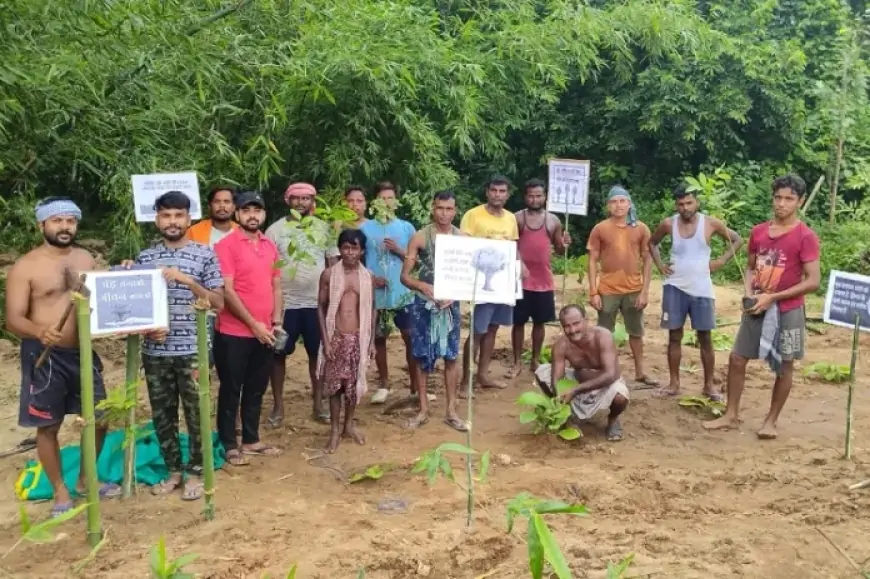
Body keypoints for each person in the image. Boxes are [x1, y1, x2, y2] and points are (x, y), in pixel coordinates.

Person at [5, 198, 122, 515]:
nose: (65, 227)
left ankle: (86, 479)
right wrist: (39, 332)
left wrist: (121, 277)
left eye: (70, 221)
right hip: (44, 354)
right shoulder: (26, 266)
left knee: (100, 420)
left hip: (83, 350)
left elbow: (102, 299)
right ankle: (60, 491)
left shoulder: (85, 258)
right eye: (57, 221)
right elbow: (13, 319)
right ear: (42, 225)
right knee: (48, 426)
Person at [704, 175, 820, 439]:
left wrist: (774, 297)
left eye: (789, 199)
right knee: (736, 358)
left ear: (800, 201)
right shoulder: (758, 232)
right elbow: (750, 266)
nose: (782, 204)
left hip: (788, 309)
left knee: (785, 365)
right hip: (757, 305)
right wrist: (749, 294)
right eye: (778, 197)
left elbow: (813, 281)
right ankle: (731, 414)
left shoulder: (806, 237)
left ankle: (771, 420)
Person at [127, 191, 224, 500]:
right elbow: (134, 306)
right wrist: (145, 328)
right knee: (162, 415)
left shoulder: (205, 254)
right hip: (156, 352)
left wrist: (186, 280)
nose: (172, 221)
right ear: (157, 219)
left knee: (196, 413)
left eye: (178, 215)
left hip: (193, 349)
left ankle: (196, 473)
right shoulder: (145, 257)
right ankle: (173, 471)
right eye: (166, 216)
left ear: (188, 219)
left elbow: (219, 302)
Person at [648, 184, 743, 400]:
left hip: (702, 288)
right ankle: (674, 383)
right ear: (676, 205)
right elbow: (651, 243)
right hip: (674, 286)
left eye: (689, 203)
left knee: (705, 337)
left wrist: (721, 260)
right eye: (681, 204)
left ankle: (709, 386)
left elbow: (737, 240)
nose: (685, 207)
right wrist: (660, 265)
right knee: (674, 335)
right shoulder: (668, 224)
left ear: (697, 203)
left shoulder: (710, 223)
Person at [213, 191, 284, 465]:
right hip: (233, 333)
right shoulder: (226, 246)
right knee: (231, 388)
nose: (252, 215)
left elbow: (276, 285)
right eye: (246, 210)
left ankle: (252, 440)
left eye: (257, 210)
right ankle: (230, 443)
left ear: (264, 214)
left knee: (256, 388)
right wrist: (254, 325)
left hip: (266, 332)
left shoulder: (270, 246)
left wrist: (276, 322)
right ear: (237, 214)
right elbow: (228, 292)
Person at [265, 182, 338, 426]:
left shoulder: (323, 228)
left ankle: (318, 404)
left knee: (317, 355)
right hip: (285, 306)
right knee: (278, 355)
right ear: (288, 200)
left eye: (306, 198)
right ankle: (278, 406)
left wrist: (332, 299)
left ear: (313, 201)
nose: (301, 203)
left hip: (315, 304)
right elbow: (267, 267)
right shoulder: (275, 230)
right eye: (296, 198)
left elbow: (332, 263)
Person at [400, 191, 467, 431]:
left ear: (455, 210)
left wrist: (454, 295)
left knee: (450, 356)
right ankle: (423, 409)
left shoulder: (463, 238)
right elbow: (405, 277)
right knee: (421, 356)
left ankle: (451, 410)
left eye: (449, 209)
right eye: (440, 208)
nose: (444, 213)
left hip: (450, 306)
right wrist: (423, 286)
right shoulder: (420, 237)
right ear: (433, 208)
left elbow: (469, 277)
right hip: (424, 305)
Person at [586, 185, 657, 388]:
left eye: (622, 201)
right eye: (614, 201)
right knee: (603, 334)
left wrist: (644, 291)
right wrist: (593, 291)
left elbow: (647, 259)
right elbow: (592, 260)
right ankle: (604, 371)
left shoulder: (641, 229)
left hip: (634, 289)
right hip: (607, 289)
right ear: (608, 206)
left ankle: (640, 372)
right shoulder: (600, 229)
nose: (618, 205)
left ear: (629, 203)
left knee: (636, 333)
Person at [460, 175, 524, 392]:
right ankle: (464, 382)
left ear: (507, 194)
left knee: (493, 328)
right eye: (494, 190)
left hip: (502, 281)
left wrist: (519, 268)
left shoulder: (510, 218)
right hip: (480, 281)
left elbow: (513, 247)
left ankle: (482, 375)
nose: (498, 195)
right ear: (487, 191)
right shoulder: (473, 215)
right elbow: (463, 245)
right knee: (478, 330)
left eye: (502, 191)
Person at [316, 229, 376, 453]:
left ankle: (348, 425)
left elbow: (373, 309)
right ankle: (334, 430)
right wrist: (326, 340)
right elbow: (321, 308)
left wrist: (370, 342)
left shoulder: (367, 276)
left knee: (352, 387)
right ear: (340, 249)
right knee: (334, 388)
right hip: (336, 337)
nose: (350, 252)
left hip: (358, 339)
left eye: (355, 248)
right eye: (346, 248)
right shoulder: (329, 275)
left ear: (362, 251)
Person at [534, 304, 630, 441]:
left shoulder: (602, 336)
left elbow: (610, 374)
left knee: (620, 396)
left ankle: (613, 420)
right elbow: (557, 379)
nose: (572, 330)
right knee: (542, 372)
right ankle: (568, 418)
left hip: (605, 384)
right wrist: (559, 396)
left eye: (576, 323)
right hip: (578, 381)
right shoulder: (561, 345)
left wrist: (575, 390)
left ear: (586, 320)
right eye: (567, 326)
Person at [360, 182, 417, 405]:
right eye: (382, 199)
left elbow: (416, 261)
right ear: (375, 202)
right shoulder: (366, 229)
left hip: (403, 292)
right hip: (378, 295)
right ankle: (384, 384)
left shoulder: (406, 228)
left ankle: (415, 386)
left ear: (396, 201)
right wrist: (371, 278)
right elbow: (357, 260)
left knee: (410, 337)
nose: (386, 203)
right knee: (380, 338)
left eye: (390, 198)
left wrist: (399, 250)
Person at [509, 178, 571, 378]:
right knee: (518, 322)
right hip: (520, 278)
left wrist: (564, 244)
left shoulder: (554, 221)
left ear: (545, 197)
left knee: (540, 322)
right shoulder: (516, 219)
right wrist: (520, 266)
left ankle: (535, 358)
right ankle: (517, 360)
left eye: (539, 195)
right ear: (525, 196)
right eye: (531, 195)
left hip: (543, 280)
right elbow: (511, 245)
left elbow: (560, 250)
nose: (535, 199)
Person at [186, 186, 237, 367]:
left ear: (234, 206)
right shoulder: (195, 231)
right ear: (210, 206)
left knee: (231, 359)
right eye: (217, 201)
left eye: (227, 202)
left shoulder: (242, 232)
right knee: (203, 358)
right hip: (205, 304)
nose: (222, 206)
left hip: (236, 304)